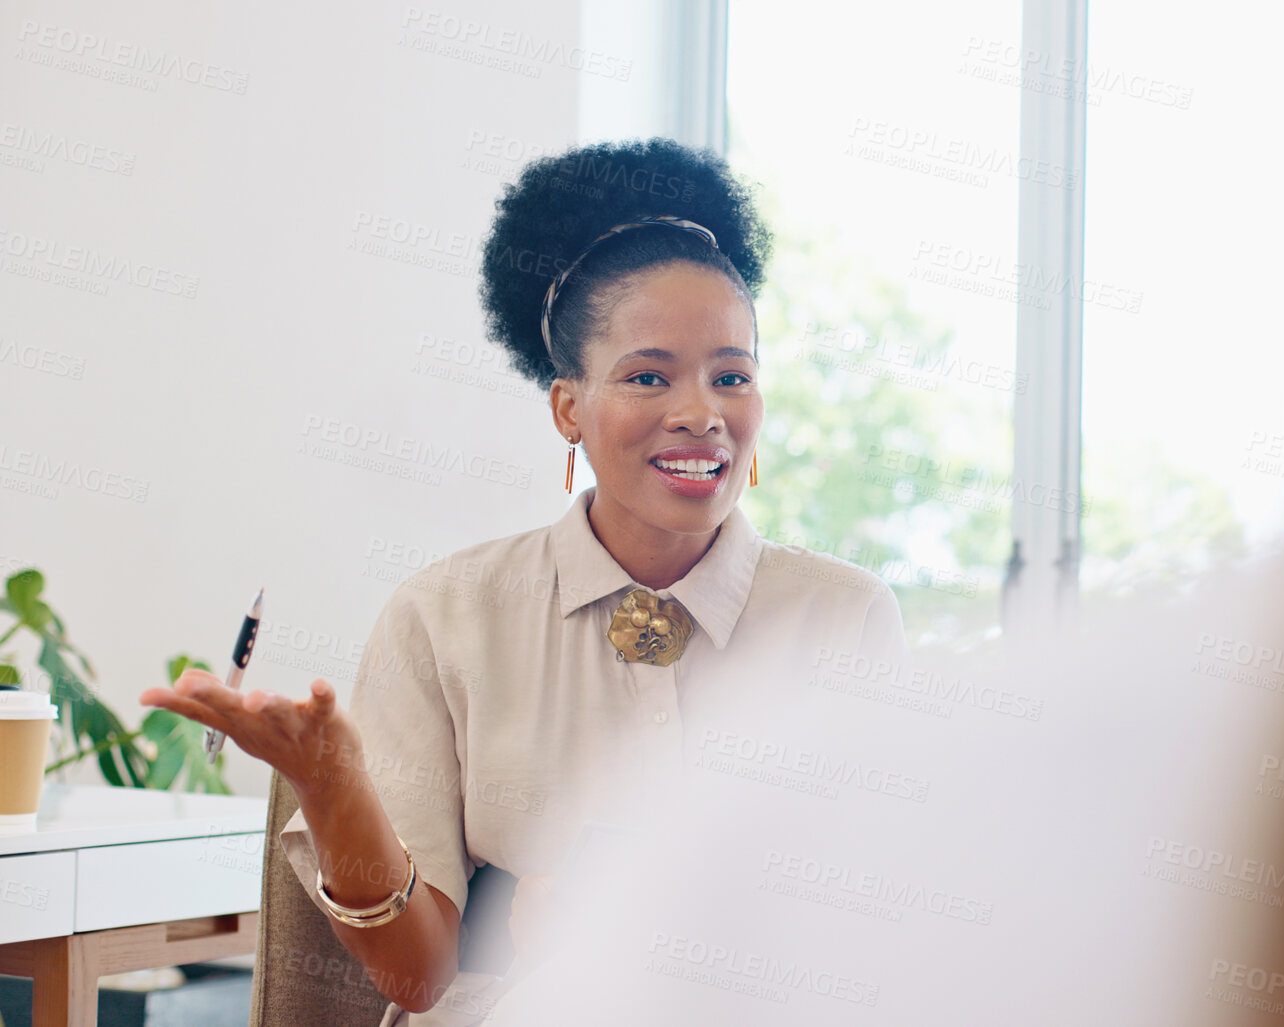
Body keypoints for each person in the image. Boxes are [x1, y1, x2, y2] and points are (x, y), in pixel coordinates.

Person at [142, 138, 907, 1026]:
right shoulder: (444, 615)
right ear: (568, 407)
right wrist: (332, 782)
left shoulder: (844, 618)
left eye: (730, 375)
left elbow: (876, 931)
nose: (701, 411)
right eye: (648, 375)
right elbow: (418, 978)